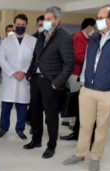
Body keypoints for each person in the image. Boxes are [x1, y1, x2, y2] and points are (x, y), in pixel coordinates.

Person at [63, 5, 110, 171]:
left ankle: (95, 157)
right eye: (98, 17)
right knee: (85, 125)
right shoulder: (94, 37)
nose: (98, 21)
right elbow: (87, 59)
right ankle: (80, 153)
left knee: (101, 127)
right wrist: (83, 80)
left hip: (108, 92)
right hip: (87, 89)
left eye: (101, 18)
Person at [24, 6, 75, 159]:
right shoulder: (41, 35)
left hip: (50, 83)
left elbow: (69, 64)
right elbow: (35, 57)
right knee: (35, 112)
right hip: (36, 80)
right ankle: (36, 140)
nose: (45, 22)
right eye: (44, 19)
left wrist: (56, 83)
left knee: (51, 117)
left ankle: (51, 146)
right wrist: (29, 73)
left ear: (57, 20)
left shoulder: (64, 37)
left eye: (48, 19)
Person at [0, 14, 36, 140]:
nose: (20, 27)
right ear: (14, 25)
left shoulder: (33, 41)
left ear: (26, 25)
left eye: (23, 25)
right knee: (6, 106)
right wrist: (13, 72)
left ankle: (20, 129)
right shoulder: (5, 41)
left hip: (24, 78)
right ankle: (3, 128)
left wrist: (24, 72)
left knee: (22, 105)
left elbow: (35, 60)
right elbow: (1, 58)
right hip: (10, 78)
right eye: (18, 25)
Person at [60, 17, 96, 141]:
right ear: (90, 27)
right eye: (94, 27)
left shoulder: (87, 38)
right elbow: (78, 56)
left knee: (79, 100)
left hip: (83, 74)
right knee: (74, 99)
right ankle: (72, 124)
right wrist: (91, 59)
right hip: (75, 73)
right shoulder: (78, 37)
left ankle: (76, 125)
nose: (94, 30)